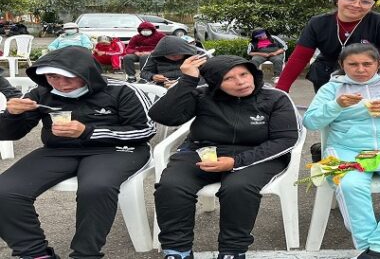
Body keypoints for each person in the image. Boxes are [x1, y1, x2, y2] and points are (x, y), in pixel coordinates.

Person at [0, 46, 155, 259]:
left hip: (117, 149)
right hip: (59, 149)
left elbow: (144, 131)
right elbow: (11, 133)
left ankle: (85, 254)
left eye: (69, 78)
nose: (61, 85)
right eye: (53, 77)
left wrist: (88, 131)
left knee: (96, 187)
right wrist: (12, 115)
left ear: (87, 73)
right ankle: (35, 253)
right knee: (4, 190)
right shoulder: (41, 93)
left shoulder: (122, 90)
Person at [150, 54, 299, 259]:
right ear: (214, 82)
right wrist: (188, 81)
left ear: (252, 73)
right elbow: (162, 116)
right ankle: (177, 250)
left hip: (258, 155)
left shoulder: (276, 98)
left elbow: (285, 140)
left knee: (238, 188)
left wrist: (236, 162)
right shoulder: (202, 95)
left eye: (244, 74)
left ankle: (232, 251)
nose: (240, 82)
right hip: (203, 151)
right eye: (228, 78)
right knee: (172, 185)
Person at [303, 43, 380, 259]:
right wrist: (336, 105)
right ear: (342, 64)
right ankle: (366, 247)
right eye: (353, 64)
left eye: (367, 64)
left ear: (379, 63)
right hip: (347, 149)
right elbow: (311, 122)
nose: (360, 69)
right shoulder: (332, 89)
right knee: (350, 185)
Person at [275, 0, 380, 94]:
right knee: (329, 116)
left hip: (365, 76)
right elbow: (299, 58)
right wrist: (282, 90)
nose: (356, 5)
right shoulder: (318, 23)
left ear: (372, 5)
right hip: (326, 76)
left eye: (365, 1)